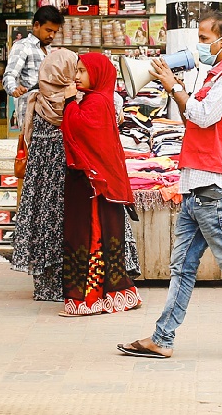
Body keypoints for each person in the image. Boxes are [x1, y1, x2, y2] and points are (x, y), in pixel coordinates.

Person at [118, 11, 222, 360]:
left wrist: (174, 87)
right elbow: (195, 114)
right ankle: (162, 338)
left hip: (213, 186)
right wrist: (179, 91)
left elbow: (203, 114)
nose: (199, 45)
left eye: (205, 38)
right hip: (198, 185)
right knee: (182, 267)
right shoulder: (214, 76)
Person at [60, 52, 141, 316]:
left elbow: (76, 128)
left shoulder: (94, 103)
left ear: (97, 74)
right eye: (77, 71)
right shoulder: (99, 100)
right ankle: (110, 294)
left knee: (91, 233)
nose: (76, 77)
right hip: (95, 182)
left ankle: (89, 298)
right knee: (98, 235)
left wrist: (70, 101)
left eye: (82, 71)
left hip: (92, 183)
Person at [10, 49, 78, 302]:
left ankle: (46, 287)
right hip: (66, 181)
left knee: (45, 229)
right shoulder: (74, 101)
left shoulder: (36, 102)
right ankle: (66, 285)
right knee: (65, 231)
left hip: (41, 183)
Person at [4, 6, 65, 136]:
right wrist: (14, 88)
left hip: (48, 112)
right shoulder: (22, 46)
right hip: (30, 111)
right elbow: (9, 75)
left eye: (55, 32)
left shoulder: (48, 50)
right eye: (48, 30)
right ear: (36, 25)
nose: (51, 35)